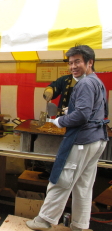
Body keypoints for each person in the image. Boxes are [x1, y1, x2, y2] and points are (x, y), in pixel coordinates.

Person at [26, 45, 109, 231]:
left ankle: (44, 220)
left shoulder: (85, 83)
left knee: (62, 179)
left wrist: (60, 120)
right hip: (97, 139)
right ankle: (79, 225)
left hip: (82, 140)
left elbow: (81, 116)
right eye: (70, 63)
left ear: (90, 62)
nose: (73, 66)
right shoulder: (97, 82)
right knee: (83, 185)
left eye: (77, 62)